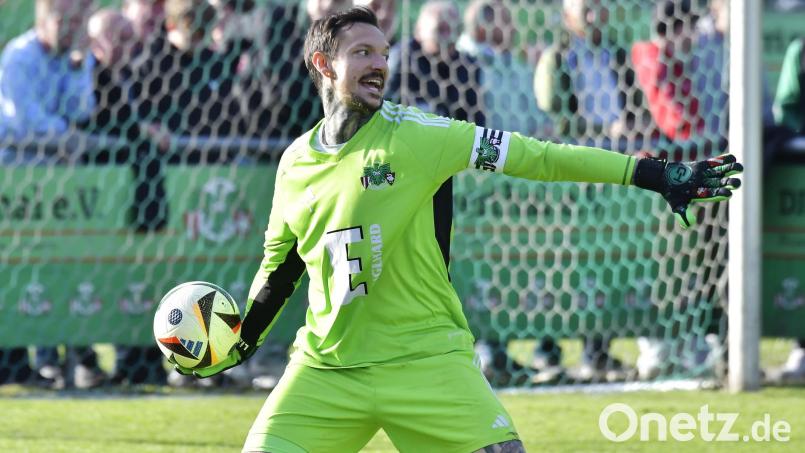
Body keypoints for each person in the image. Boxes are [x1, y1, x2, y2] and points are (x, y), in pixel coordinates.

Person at [169, 7, 743, 451]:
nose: (379, 65)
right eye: (362, 53)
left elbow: (536, 156)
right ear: (323, 65)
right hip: (326, 370)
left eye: (384, 52)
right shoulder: (294, 162)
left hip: (428, 361)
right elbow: (282, 266)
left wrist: (649, 172)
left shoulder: (421, 135)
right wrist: (235, 343)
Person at [0, 0, 105, 389]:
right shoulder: (19, 56)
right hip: (17, 178)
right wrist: (67, 138)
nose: (70, 27)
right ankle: (28, 361)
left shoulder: (78, 59)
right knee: (22, 264)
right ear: (42, 18)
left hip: (61, 179)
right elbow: (26, 120)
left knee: (63, 264)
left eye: (78, 19)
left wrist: (79, 68)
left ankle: (67, 358)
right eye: (64, 18)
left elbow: (83, 109)